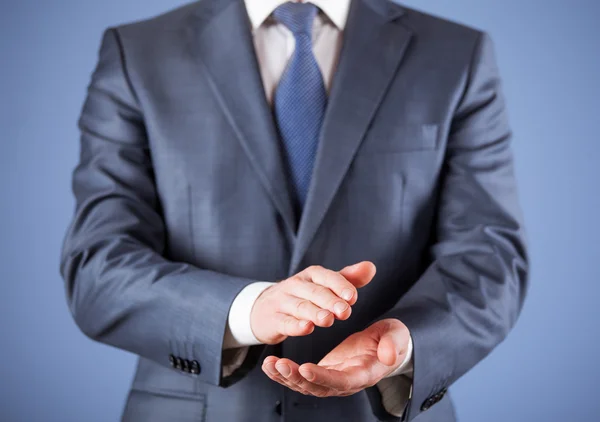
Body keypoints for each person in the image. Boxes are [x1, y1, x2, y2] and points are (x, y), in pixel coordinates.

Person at [60, 0, 529, 420]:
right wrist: (247, 310)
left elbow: (489, 258)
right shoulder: (138, 51)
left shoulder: (454, 53)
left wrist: (405, 342)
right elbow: (97, 267)